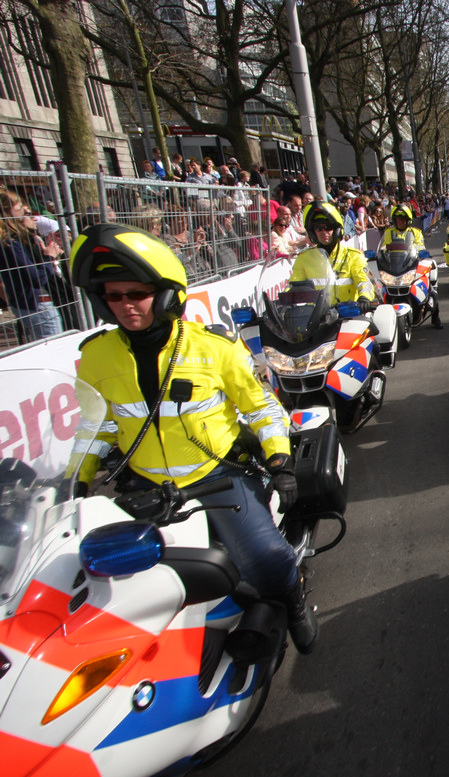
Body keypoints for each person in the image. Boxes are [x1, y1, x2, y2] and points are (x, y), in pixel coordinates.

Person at [68, 223, 317, 654]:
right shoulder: (95, 356)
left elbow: (262, 408)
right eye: (114, 296)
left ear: (165, 294)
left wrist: (279, 461)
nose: (126, 305)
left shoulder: (213, 347)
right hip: (145, 487)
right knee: (102, 578)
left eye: (137, 294)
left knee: (267, 559)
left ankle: (294, 605)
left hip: (217, 476)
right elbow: (97, 426)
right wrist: (78, 479)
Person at [0, 189, 65, 342]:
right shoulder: (10, 243)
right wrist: (49, 257)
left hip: (28, 303)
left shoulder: (14, 240)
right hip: (37, 305)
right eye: (19, 206)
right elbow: (37, 279)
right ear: (7, 212)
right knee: (54, 347)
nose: (26, 210)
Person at [296, 202, 375, 311]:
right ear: (312, 232)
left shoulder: (353, 256)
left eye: (328, 227)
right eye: (318, 228)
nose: (323, 232)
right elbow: (294, 286)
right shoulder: (303, 259)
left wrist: (364, 298)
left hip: (347, 314)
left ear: (336, 230)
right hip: (315, 316)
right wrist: (283, 304)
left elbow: (364, 281)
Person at [381, 204, 441, 328]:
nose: (401, 222)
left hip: (411, 263)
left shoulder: (415, 232)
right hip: (394, 266)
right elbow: (383, 248)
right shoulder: (388, 233)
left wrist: (420, 252)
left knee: (431, 272)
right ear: (394, 220)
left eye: (403, 219)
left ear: (408, 220)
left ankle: (435, 315)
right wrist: (381, 254)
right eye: (398, 219)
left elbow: (420, 246)